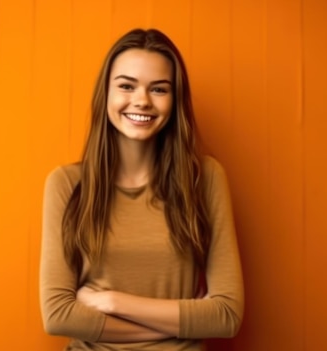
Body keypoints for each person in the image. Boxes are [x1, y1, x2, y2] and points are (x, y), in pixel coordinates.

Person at [39, 28, 244, 350]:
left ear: (175, 100)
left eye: (159, 89)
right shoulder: (66, 184)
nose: (142, 101)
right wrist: (184, 324)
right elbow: (59, 316)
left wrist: (111, 301)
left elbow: (226, 315)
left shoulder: (204, 178)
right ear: (105, 94)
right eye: (126, 86)